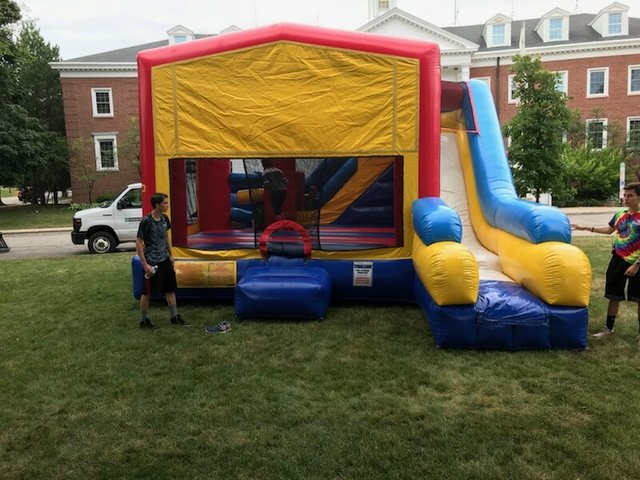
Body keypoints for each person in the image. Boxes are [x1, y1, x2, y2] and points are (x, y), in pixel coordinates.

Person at [572, 182, 640, 340]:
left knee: (638, 297)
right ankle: (609, 328)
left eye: (630, 195)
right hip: (618, 258)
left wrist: (637, 264)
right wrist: (585, 228)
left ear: (638, 196)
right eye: (625, 195)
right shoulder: (620, 214)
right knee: (613, 295)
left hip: (636, 261)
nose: (626, 199)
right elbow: (610, 229)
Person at [136, 192, 189, 329]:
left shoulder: (165, 219)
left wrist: (171, 255)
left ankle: (174, 317)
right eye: (165, 203)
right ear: (157, 205)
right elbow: (139, 243)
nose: (167, 205)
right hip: (152, 262)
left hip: (164, 260)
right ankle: (143, 320)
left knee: (170, 289)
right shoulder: (146, 221)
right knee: (147, 293)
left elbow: (166, 237)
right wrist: (145, 264)